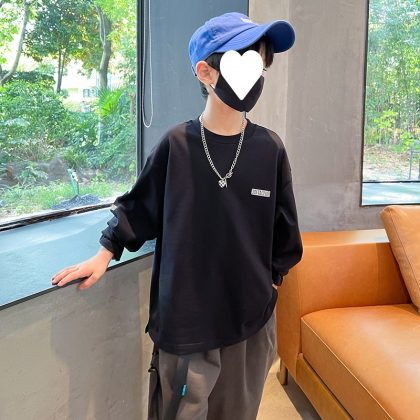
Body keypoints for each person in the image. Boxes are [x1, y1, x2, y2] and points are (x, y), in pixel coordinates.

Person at [51, 11, 303, 420]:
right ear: (205, 72)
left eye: (260, 66)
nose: (255, 77)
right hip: (187, 323)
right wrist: (104, 253)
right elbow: (139, 207)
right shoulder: (177, 146)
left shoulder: (269, 149)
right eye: (243, 63)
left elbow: (285, 232)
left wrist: (270, 283)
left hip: (250, 321)